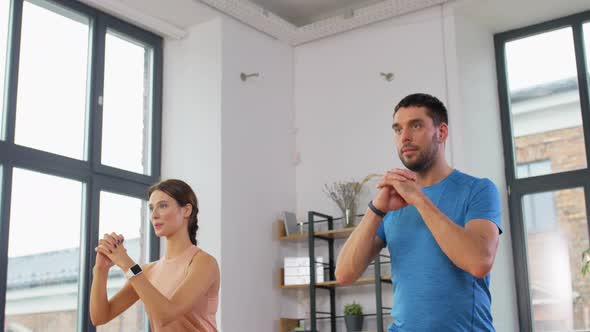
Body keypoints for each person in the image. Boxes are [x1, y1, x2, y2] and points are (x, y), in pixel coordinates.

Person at [335, 93, 502, 331]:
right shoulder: (391, 203)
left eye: (416, 125)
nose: (404, 137)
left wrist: (418, 198)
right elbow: (344, 274)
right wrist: (377, 208)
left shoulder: (478, 190)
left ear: (441, 132)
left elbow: (479, 262)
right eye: (397, 129)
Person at [90, 179, 219, 331]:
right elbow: (100, 316)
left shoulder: (204, 263)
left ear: (186, 210)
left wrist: (127, 264)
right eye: (151, 208)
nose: (154, 215)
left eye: (163, 206)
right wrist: (100, 270)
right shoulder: (148, 271)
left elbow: (167, 314)